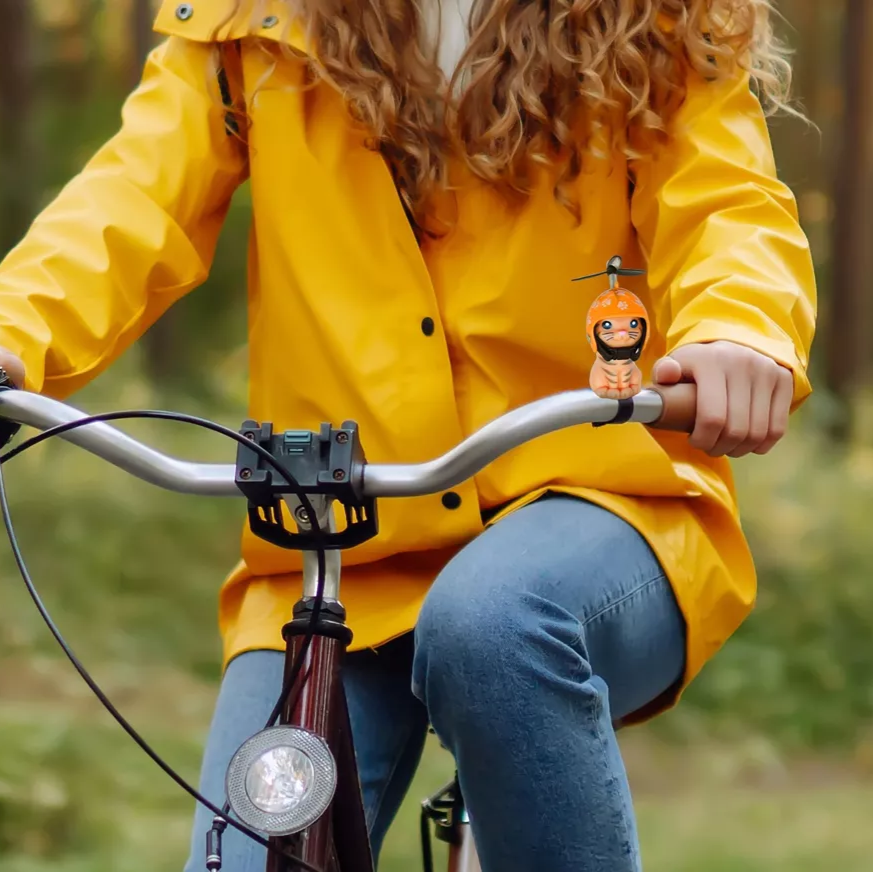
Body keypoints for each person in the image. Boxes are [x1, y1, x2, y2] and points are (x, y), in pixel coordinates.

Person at [0, 1, 816, 870]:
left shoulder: (655, 17)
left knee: (493, 624)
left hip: (597, 498)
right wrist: (15, 329)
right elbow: (132, 198)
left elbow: (725, 202)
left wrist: (738, 330)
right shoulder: (253, 24)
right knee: (251, 855)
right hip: (339, 542)